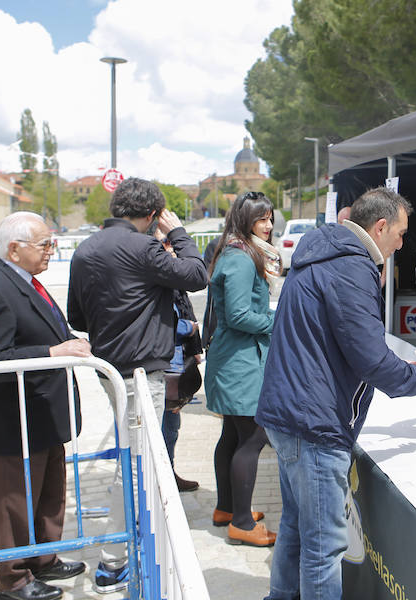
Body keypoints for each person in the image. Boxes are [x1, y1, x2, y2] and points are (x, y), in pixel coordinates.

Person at [257, 187, 416, 600]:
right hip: (313, 423)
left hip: (288, 411)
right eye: (399, 233)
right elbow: (371, 359)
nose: (401, 243)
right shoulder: (352, 267)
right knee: (324, 547)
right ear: (380, 227)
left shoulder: (321, 253)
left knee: (295, 525)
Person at [67, 178, 208, 594]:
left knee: (137, 460)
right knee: (134, 467)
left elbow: (77, 317)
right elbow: (196, 274)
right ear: (151, 216)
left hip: (110, 369)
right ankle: (114, 563)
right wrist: (178, 232)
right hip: (141, 374)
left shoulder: (85, 248)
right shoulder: (143, 246)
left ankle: (131, 545)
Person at [0, 212, 90, 600]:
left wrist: (71, 340)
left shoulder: (26, 282)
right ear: (15, 249)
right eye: (45, 244)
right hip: (12, 422)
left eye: (52, 243)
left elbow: (48, 326)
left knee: (49, 491)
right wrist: (53, 350)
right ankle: (13, 579)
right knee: (14, 503)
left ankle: (43, 560)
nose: (51, 251)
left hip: (41, 415)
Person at [204, 192, 280, 546]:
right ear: (244, 220)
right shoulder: (240, 257)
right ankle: (242, 523)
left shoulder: (238, 251)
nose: (267, 226)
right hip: (239, 361)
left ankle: (228, 508)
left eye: (269, 218)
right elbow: (237, 315)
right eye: (260, 219)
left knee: (233, 436)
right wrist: (277, 321)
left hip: (237, 358)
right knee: (253, 438)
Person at [154, 230, 204, 492]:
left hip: (177, 361)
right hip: (164, 365)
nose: (171, 248)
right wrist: (190, 329)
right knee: (165, 426)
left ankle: (167, 474)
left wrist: (195, 346)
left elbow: (185, 307)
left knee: (172, 425)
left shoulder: (172, 275)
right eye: (166, 243)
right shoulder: (156, 275)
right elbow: (168, 322)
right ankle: (162, 480)